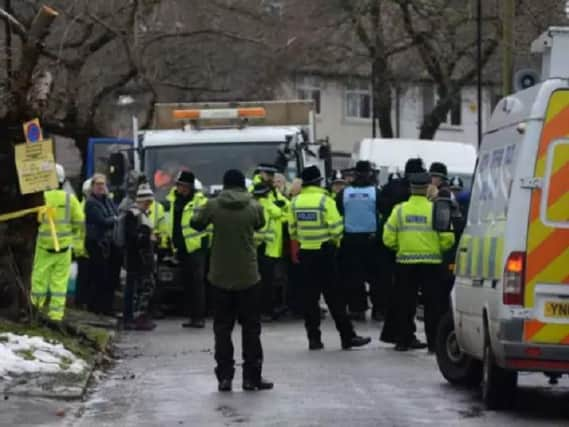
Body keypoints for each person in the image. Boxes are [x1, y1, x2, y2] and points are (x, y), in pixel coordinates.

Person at [191, 169, 273, 392]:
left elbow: (196, 223)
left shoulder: (213, 205)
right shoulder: (254, 205)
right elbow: (260, 224)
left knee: (222, 329)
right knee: (251, 329)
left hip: (219, 276)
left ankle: (225, 378)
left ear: (225, 185)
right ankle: (251, 378)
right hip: (248, 275)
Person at [289, 165, 371, 351]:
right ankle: (347, 336)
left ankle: (314, 339)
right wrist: (336, 243)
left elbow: (292, 230)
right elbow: (336, 228)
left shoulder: (295, 202)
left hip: (306, 254)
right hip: (325, 253)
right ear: (318, 182)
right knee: (335, 298)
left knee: (310, 299)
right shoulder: (325, 201)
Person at [382, 172, 455, 352]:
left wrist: (401, 247)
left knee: (404, 303)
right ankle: (433, 343)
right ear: (428, 187)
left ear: (411, 189)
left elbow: (388, 238)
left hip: (405, 263)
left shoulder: (399, 210)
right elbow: (448, 239)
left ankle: (403, 340)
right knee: (433, 305)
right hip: (432, 263)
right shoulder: (437, 209)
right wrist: (436, 248)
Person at [31, 164, 84, 321]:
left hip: (43, 246)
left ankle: (35, 310)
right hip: (63, 248)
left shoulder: (41, 198)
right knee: (60, 284)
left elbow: (35, 220)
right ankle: (56, 315)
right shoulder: (70, 199)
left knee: (39, 280)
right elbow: (80, 221)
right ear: (62, 180)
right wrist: (73, 237)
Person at [336, 161, 383, 322]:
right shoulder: (376, 192)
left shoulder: (344, 193)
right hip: (372, 239)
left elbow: (339, 212)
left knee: (354, 278)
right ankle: (379, 310)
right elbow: (383, 213)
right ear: (370, 173)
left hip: (350, 239)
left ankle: (357, 310)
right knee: (376, 278)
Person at [166, 170, 209, 328]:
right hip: (180, 247)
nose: (181, 189)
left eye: (184, 186)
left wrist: (205, 243)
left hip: (196, 248)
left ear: (191, 187)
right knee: (187, 283)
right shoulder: (173, 200)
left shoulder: (200, 201)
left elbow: (208, 225)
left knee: (197, 283)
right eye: (179, 185)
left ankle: (199, 317)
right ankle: (191, 316)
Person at [85, 173, 121, 315]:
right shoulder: (91, 203)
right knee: (99, 278)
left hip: (110, 243)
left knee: (111, 278)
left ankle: (107, 308)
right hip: (97, 244)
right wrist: (114, 219)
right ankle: (97, 308)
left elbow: (115, 214)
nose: (101, 187)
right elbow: (102, 221)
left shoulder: (108, 200)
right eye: (98, 184)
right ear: (92, 186)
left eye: (103, 184)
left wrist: (113, 218)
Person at [123, 184, 157, 331]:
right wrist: (147, 236)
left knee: (144, 288)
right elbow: (132, 238)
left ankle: (139, 317)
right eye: (147, 202)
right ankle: (132, 319)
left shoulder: (142, 214)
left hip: (143, 258)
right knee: (135, 290)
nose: (149, 205)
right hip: (136, 259)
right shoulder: (132, 215)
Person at [252, 183, 285, 321]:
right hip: (270, 248)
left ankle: (262, 311)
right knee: (268, 282)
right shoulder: (271, 206)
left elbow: (260, 229)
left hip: (259, 248)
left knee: (259, 283)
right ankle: (267, 311)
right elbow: (283, 217)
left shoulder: (257, 206)